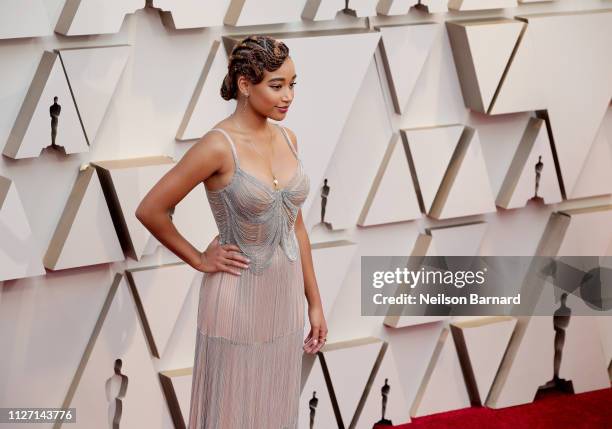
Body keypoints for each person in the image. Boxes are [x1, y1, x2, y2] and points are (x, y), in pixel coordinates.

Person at [135, 35, 328, 428]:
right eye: (276, 85)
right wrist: (199, 259)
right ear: (245, 85)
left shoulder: (289, 139)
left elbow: (298, 229)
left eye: (292, 84)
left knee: (272, 407)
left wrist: (315, 302)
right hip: (235, 294)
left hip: (283, 295)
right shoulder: (217, 147)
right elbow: (151, 210)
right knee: (232, 410)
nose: (288, 95)